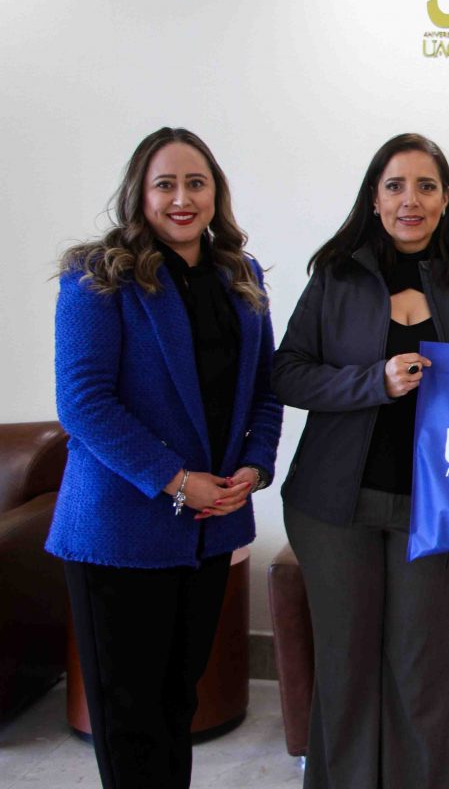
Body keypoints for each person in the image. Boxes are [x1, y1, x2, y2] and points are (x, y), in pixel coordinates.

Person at [49, 127, 281, 789]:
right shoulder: (98, 277)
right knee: (131, 721)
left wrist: (254, 467)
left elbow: (265, 391)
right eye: (166, 184)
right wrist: (177, 482)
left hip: (208, 531)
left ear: (216, 194)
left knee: (178, 706)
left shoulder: (241, 278)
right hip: (120, 532)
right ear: (139, 194)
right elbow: (83, 403)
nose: (182, 199)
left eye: (195, 183)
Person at [272, 133, 449, 789]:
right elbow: (287, 373)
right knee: (345, 671)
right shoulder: (335, 278)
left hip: (435, 511)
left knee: (419, 674)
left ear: (446, 199)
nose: (411, 200)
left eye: (426, 186)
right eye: (396, 186)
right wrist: (372, 381)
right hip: (332, 509)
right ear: (374, 199)